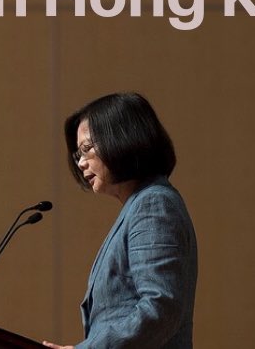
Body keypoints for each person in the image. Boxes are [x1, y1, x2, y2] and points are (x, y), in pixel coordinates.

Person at [43, 93, 197, 349]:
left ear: (122, 138)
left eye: (86, 149)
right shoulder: (139, 205)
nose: (81, 163)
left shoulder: (153, 204)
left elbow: (161, 307)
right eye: (77, 154)